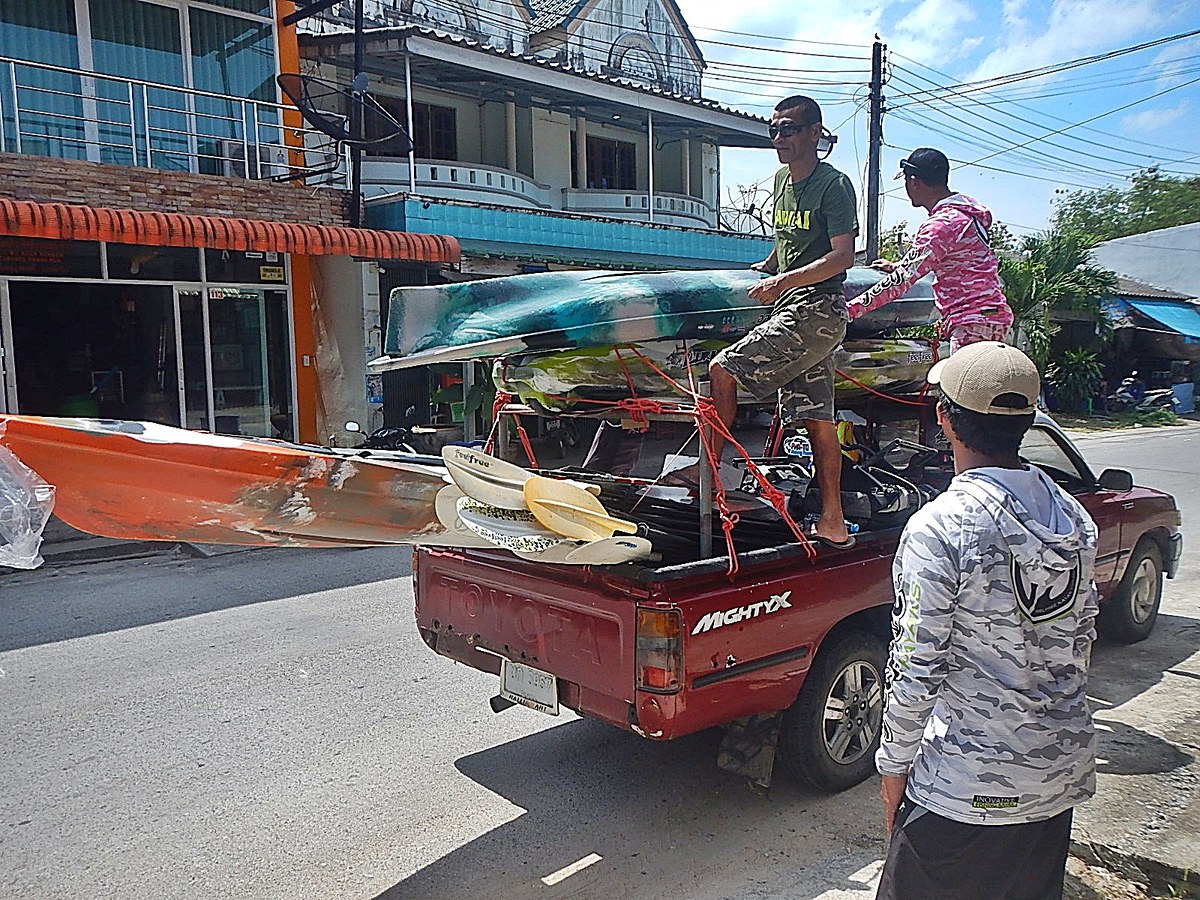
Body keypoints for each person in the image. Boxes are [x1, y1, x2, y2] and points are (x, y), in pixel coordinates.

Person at [875, 341, 1099, 900]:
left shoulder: (940, 527)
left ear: (944, 419)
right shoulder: (1074, 517)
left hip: (966, 787)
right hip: (1055, 778)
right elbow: (1080, 640)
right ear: (1027, 422)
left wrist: (894, 766)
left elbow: (916, 665)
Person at [705, 94, 859, 548]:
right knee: (818, 420)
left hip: (818, 310)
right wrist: (769, 265)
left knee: (721, 369)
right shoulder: (779, 181)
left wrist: (784, 281)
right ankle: (833, 520)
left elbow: (842, 255)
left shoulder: (834, 184)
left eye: (789, 128)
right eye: (775, 129)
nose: (780, 138)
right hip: (792, 306)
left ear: (815, 132)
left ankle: (710, 475)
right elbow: (788, 240)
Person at [848, 148, 1014, 353]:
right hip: (988, 317)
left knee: (965, 384)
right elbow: (952, 261)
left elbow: (902, 281)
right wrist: (898, 265)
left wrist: (850, 309)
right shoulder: (964, 215)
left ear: (914, 181)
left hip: (972, 324)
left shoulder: (941, 224)